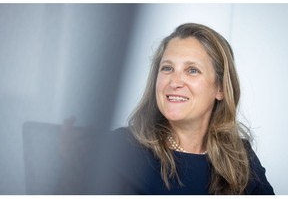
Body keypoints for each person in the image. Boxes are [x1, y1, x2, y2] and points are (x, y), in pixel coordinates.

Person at [90, 23, 275, 195]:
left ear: (220, 88)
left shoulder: (241, 157)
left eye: (192, 70)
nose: (174, 82)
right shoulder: (122, 148)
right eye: (167, 68)